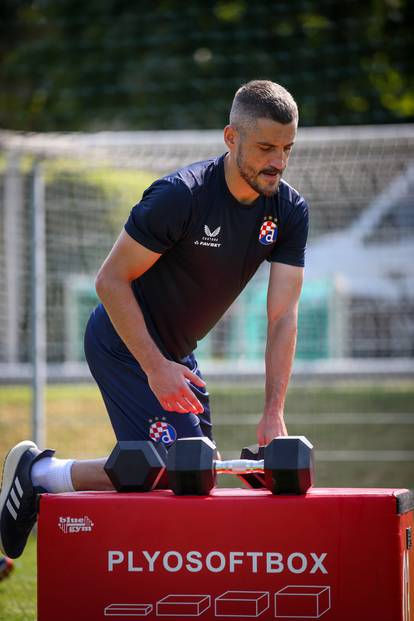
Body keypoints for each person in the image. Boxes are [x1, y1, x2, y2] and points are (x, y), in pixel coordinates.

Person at [0, 80, 309, 560]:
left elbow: (283, 316)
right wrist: (154, 366)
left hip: (178, 352)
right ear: (231, 138)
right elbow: (110, 281)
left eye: (287, 148)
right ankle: (38, 475)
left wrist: (274, 410)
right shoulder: (178, 196)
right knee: (171, 467)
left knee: (193, 471)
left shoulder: (289, 211)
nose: (278, 162)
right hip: (123, 342)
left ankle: (44, 476)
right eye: (266, 147)